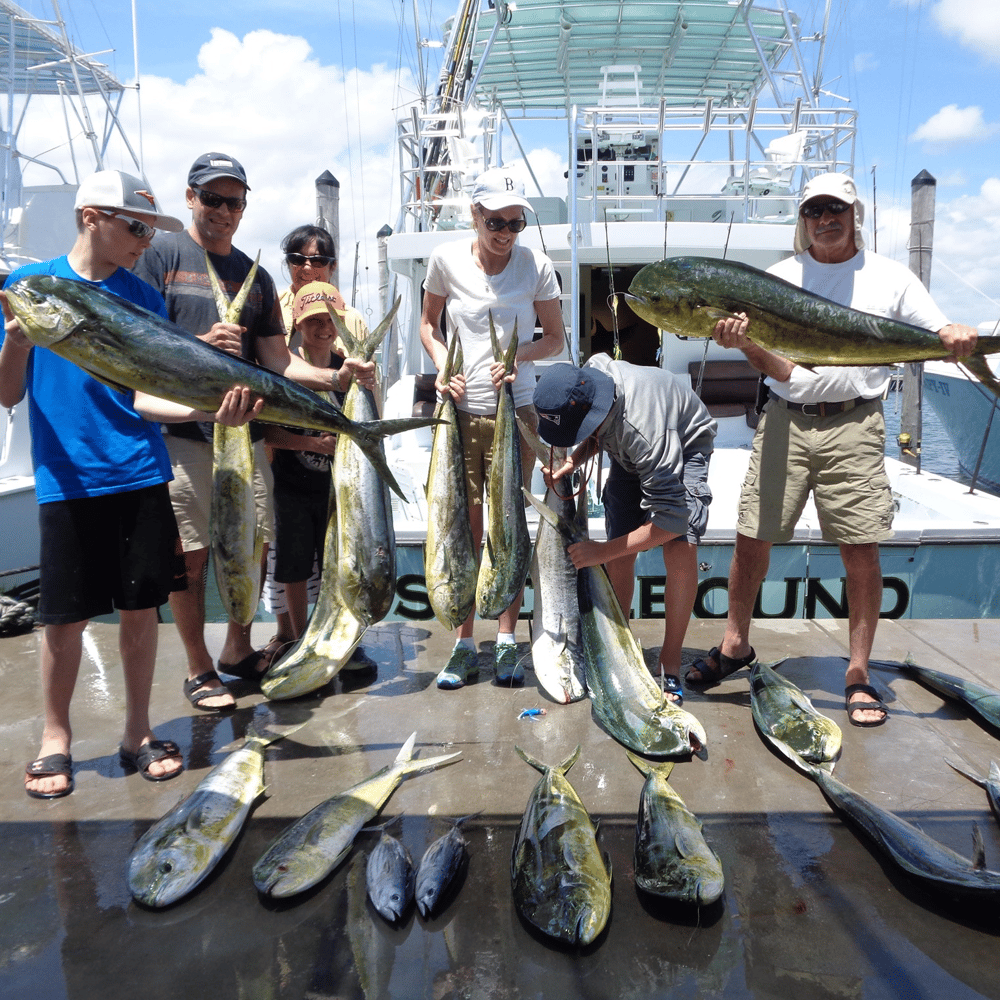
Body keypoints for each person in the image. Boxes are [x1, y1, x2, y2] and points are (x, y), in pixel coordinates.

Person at [0, 169, 261, 797]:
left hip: (142, 472)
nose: (147, 240)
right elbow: (8, 393)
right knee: (61, 620)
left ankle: (137, 732)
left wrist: (208, 411)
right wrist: (14, 337)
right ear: (93, 216)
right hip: (67, 479)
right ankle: (55, 739)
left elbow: (147, 395)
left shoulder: (140, 298)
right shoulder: (30, 287)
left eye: (151, 228)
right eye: (137, 226)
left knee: (141, 611)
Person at [689, 172, 978, 726]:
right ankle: (734, 646)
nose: (825, 219)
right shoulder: (775, 278)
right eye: (814, 210)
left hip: (855, 421)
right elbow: (780, 368)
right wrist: (745, 341)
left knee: (859, 547)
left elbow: (937, 330)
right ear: (803, 220)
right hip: (784, 420)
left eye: (835, 209)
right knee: (753, 536)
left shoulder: (890, 277)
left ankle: (858, 671)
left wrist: (958, 337)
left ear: (856, 214)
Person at [133, 153, 365, 708]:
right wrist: (200, 350)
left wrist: (337, 374)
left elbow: (278, 363)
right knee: (191, 554)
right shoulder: (160, 257)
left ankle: (238, 650)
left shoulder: (255, 277)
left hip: (246, 436)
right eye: (212, 198)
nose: (223, 211)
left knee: (253, 545)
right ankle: (199, 668)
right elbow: (142, 346)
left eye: (234, 201)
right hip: (185, 438)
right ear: (189, 198)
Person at [419, 166, 564, 689]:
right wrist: (442, 364)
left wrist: (518, 357)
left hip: (517, 410)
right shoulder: (445, 260)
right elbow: (428, 327)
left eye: (515, 222)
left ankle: (505, 640)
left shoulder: (536, 266)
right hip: (459, 412)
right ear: (475, 215)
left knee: (509, 524)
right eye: (496, 221)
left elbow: (555, 341)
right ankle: (461, 645)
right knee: (465, 523)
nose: (505, 233)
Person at [533, 358, 716, 703]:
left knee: (679, 545)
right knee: (622, 545)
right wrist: (574, 459)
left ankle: (670, 660)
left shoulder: (647, 438)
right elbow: (596, 428)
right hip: (626, 441)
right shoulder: (590, 377)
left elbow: (670, 521)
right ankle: (619, 644)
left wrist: (600, 552)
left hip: (682, 440)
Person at [264, 281, 377, 656]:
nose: (324, 328)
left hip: (340, 491)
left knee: (341, 564)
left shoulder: (350, 371)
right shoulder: (285, 368)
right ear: (297, 322)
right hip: (293, 487)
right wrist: (313, 443)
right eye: (314, 320)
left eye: (331, 320)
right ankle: (300, 641)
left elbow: (367, 434)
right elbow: (268, 435)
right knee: (294, 568)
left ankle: (345, 637)